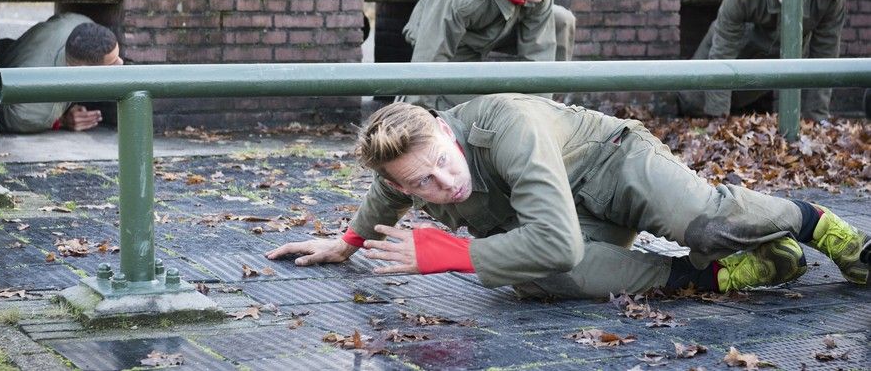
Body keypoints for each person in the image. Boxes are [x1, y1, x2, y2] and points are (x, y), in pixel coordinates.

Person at [267, 95, 869, 299]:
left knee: (706, 225)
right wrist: (345, 244)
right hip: (568, 213)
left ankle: (813, 223)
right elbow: (381, 200)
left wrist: (453, 253)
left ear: (446, 132)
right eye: (421, 183)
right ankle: (707, 279)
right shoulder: (401, 172)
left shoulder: (508, 127)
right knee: (535, 278)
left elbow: (551, 238)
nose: (443, 185)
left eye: (444, 165)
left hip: (612, 164)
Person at [678, 0, 845, 122]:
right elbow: (723, 49)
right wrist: (719, 121)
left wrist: (816, 120)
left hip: (787, 53)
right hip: (738, 41)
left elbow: (825, 57)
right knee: (691, 100)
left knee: (740, 98)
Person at [401, 0, 576, 109]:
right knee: (483, 107)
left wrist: (539, 110)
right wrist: (418, 113)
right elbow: (431, 53)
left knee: (561, 20)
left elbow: (539, 57)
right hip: (445, 40)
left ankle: (550, 106)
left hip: (497, 28)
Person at [0, 13, 122, 134]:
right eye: (112, 64)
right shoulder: (34, 110)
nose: (121, 63)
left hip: (6, 50)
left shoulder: (78, 21)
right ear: (83, 72)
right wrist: (61, 120)